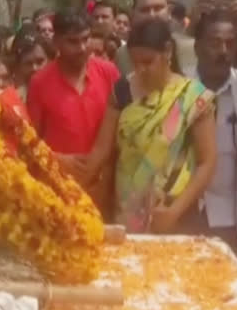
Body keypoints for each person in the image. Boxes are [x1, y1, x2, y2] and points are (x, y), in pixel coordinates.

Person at [85, 18, 216, 233]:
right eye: (135, 63)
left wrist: (174, 211)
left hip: (176, 216)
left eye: (148, 62)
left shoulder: (193, 98)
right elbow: (101, 152)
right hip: (126, 214)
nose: (141, 70)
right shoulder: (122, 91)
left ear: (167, 52)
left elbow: (207, 162)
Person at [27, 11, 120, 187]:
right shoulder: (40, 82)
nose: (82, 47)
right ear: (56, 42)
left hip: (105, 184)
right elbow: (30, 139)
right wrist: (59, 159)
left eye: (86, 39)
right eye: (73, 42)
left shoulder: (109, 73)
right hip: (61, 185)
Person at [186, 11, 237, 256]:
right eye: (214, 43)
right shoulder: (179, 91)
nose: (223, 51)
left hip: (233, 216)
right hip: (189, 214)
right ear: (197, 47)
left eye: (230, 44)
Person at [115, 0, 197, 76]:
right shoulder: (122, 56)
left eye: (158, 8)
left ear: (168, 10)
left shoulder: (190, 49)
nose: (152, 15)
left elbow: (200, 88)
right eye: (144, 10)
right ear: (133, 14)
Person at [10, 32, 49, 102]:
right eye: (28, 63)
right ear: (18, 66)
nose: (35, 68)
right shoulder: (13, 100)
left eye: (40, 62)